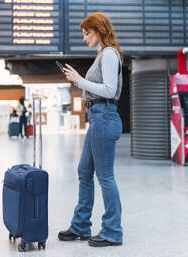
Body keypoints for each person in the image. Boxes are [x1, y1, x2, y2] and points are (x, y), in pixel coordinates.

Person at [58, 13, 123, 247]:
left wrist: (79, 80)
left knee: (105, 177)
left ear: (100, 30)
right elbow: (97, 92)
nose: (85, 38)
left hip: (105, 117)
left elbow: (108, 89)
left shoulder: (109, 53)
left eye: (88, 33)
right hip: (99, 117)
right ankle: (81, 226)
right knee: (84, 171)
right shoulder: (101, 55)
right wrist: (80, 82)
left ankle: (113, 231)